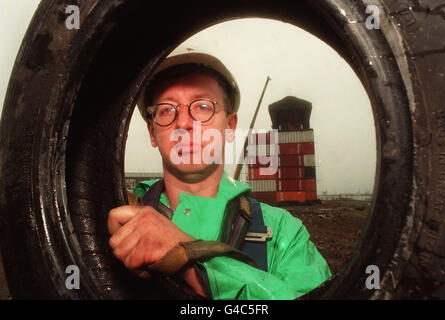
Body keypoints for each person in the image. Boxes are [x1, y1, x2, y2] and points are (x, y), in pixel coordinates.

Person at [107, 47, 331, 299]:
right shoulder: (113, 215)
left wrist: (188, 256)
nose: (183, 123)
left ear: (230, 126)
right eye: (167, 109)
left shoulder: (282, 232)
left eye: (203, 106)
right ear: (152, 132)